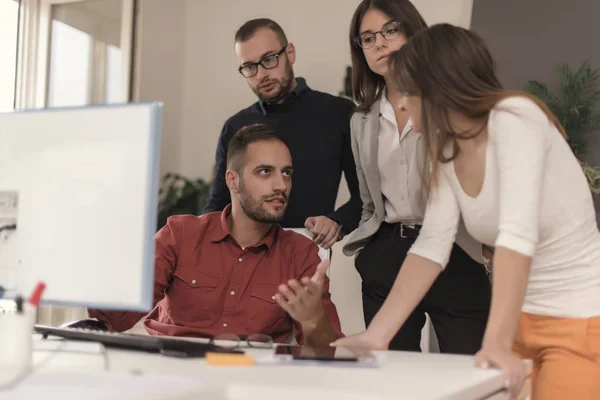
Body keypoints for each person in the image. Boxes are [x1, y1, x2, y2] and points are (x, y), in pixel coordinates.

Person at [333, 24, 600, 399]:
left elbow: (515, 235)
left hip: (581, 323)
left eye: (408, 92)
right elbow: (430, 246)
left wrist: (495, 342)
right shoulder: (447, 150)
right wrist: (378, 334)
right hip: (523, 322)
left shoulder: (515, 119)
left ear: (440, 88)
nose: (402, 104)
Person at [90, 124, 343, 347]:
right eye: (265, 172)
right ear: (233, 181)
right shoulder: (180, 235)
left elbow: (322, 352)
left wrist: (314, 321)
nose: (281, 185)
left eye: (286, 173)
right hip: (170, 369)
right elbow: (117, 318)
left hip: (250, 380)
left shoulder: (301, 254)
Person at [341, 0, 491, 354]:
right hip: (388, 255)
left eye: (390, 30)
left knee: (468, 372)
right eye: (367, 38)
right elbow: (368, 202)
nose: (380, 43)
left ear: (413, 32)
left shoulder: (453, 103)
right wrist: (369, 256)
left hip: (457, 249)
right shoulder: (360, 121)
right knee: (394, 375)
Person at [203, 18, 362, 249]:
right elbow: (217, 204)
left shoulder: (339, 113)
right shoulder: (235, 126)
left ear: (290, 53)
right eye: (249, 67)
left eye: (268, 60)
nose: (260, 75)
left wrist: (338, 222)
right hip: (241, 258)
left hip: (308, 254)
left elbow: (366, 198)